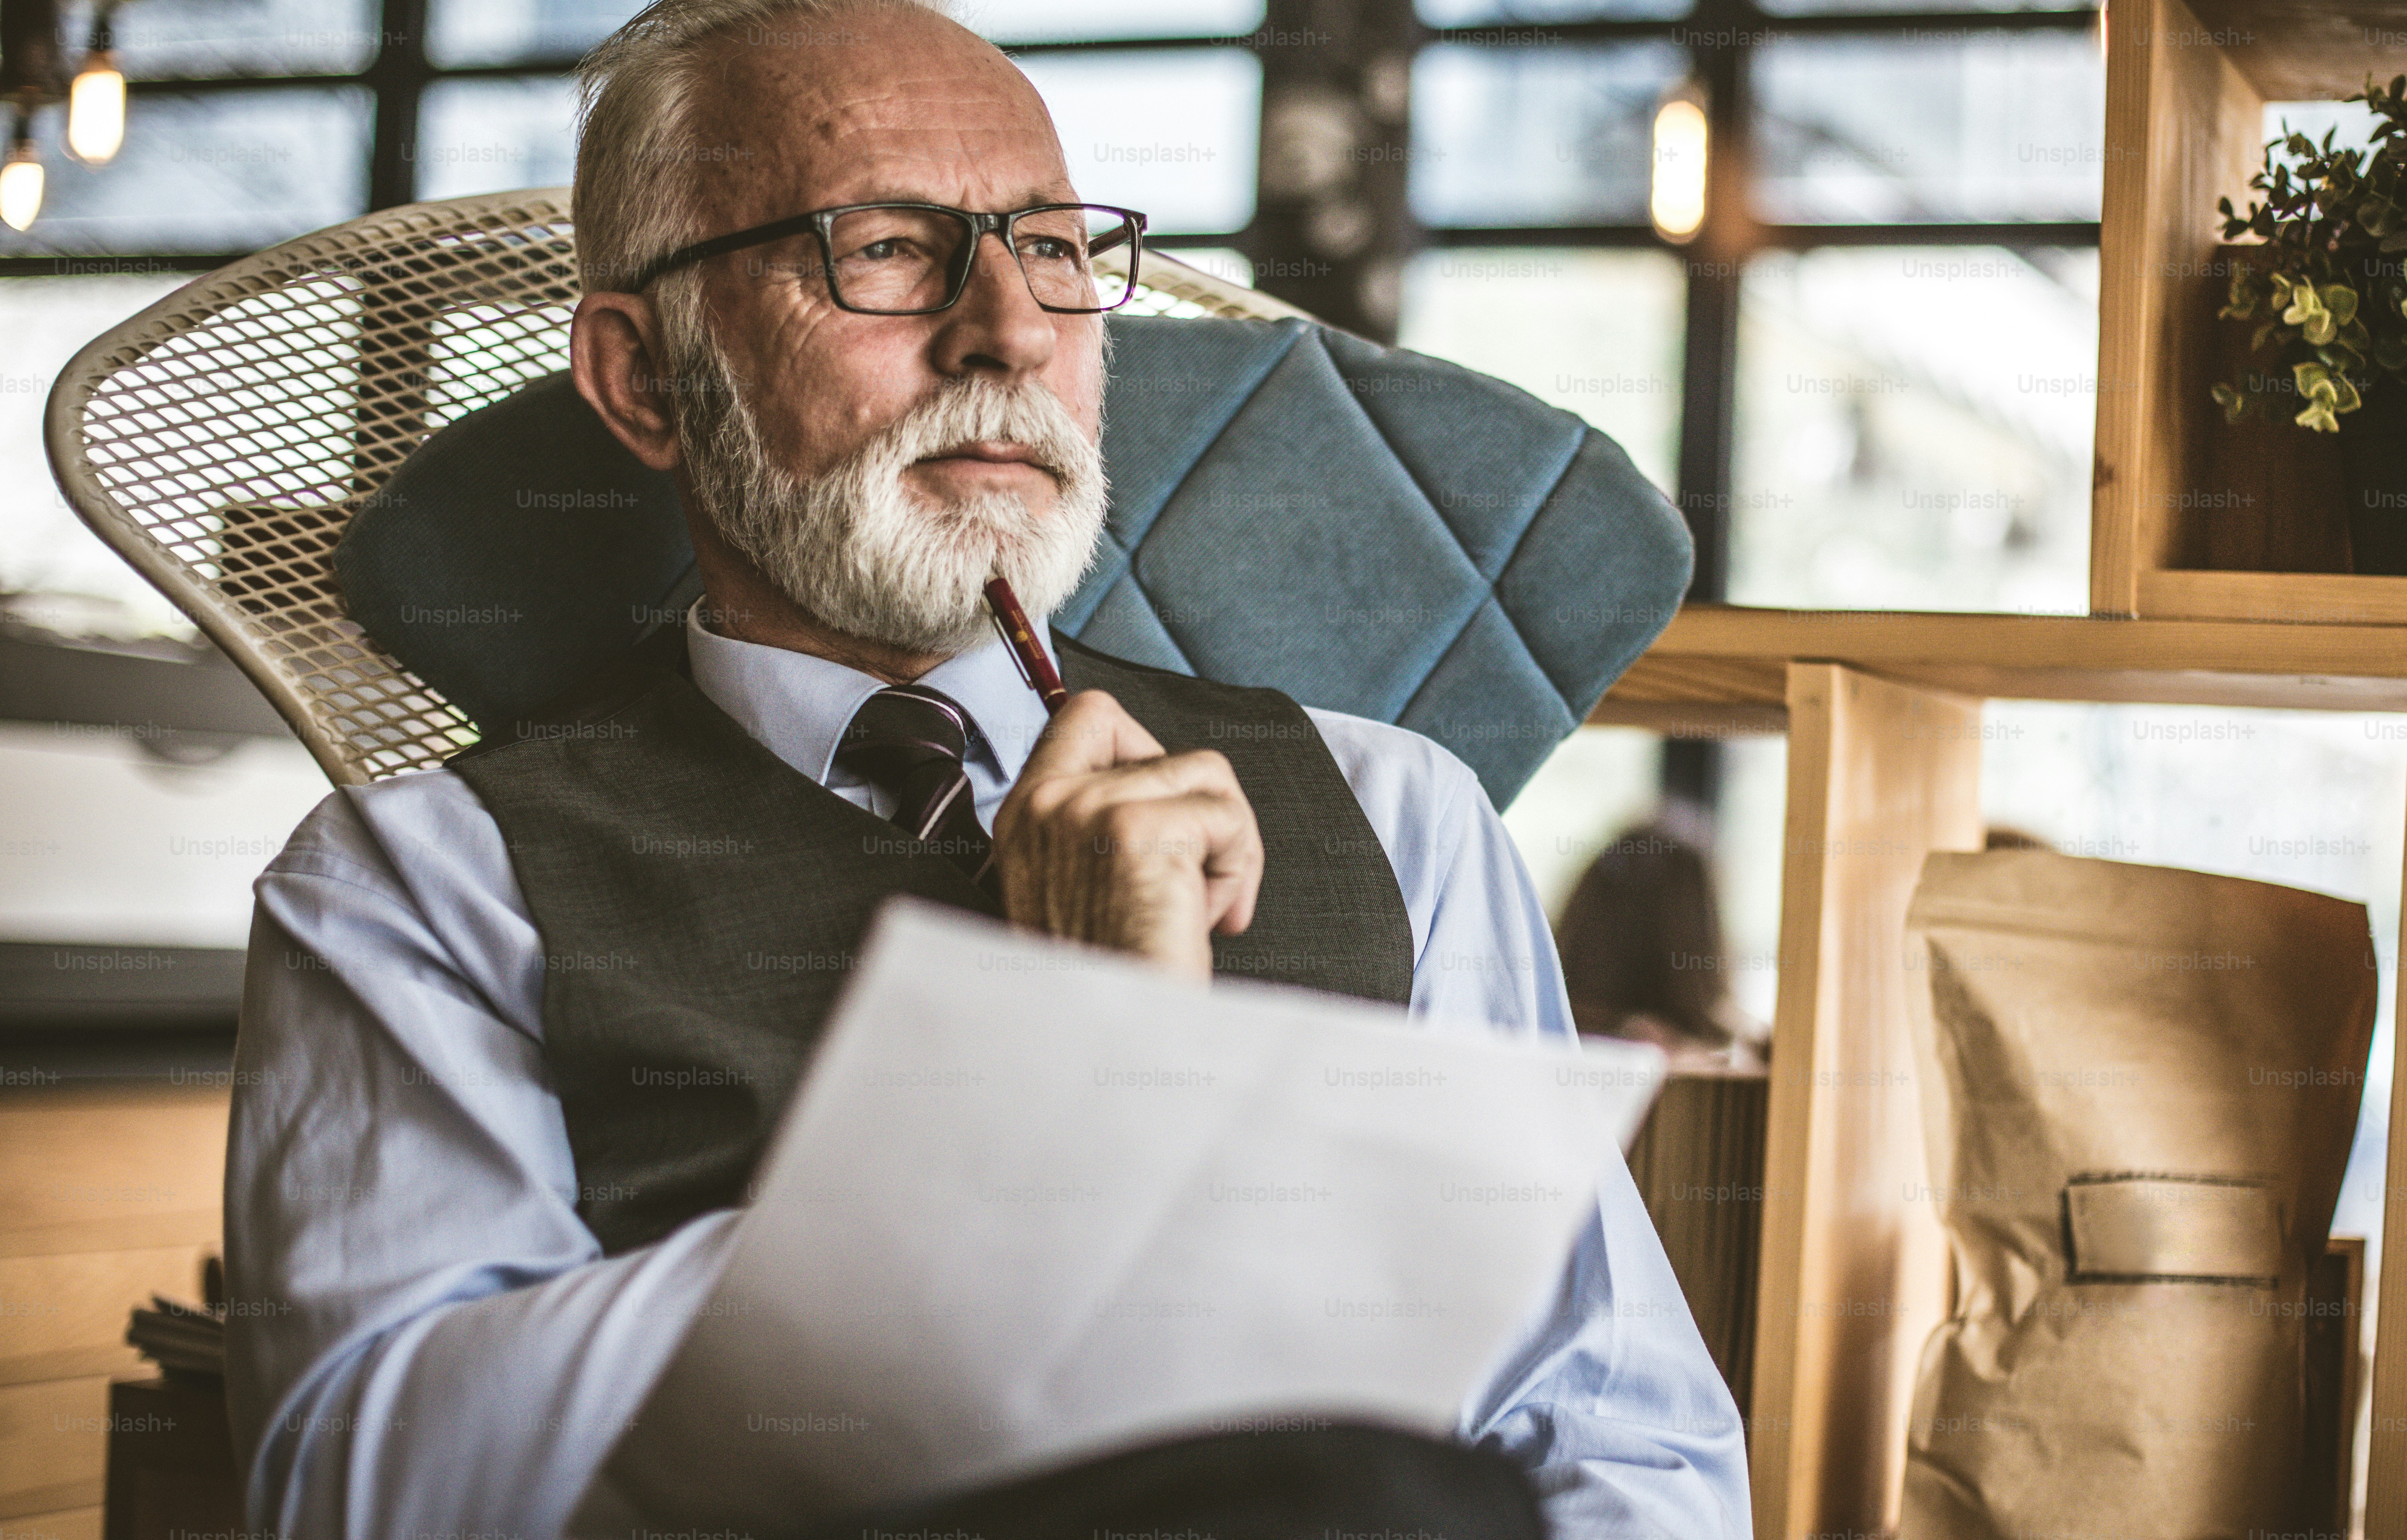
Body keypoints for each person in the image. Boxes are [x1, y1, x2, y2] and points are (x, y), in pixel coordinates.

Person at [221, 1, 1751, 1535]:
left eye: (1057, 249)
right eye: (883, 248)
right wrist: (1061, 1090)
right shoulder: (423, 879)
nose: (1012, 330)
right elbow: (370, 1482)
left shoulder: (1399, 811)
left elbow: (1633, 1453)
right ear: (645, 381)